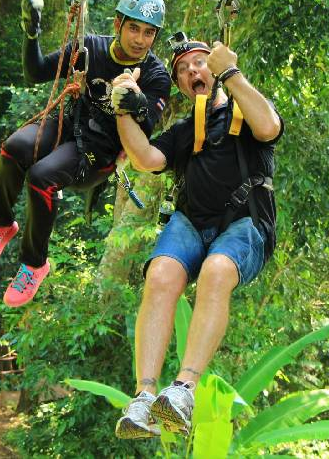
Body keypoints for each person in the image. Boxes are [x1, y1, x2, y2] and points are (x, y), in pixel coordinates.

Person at [111, 34, 283, 438]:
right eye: (184, 70)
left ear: (215, 69)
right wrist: (121, 110)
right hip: (192, 223)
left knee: (218, 270)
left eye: (200, 63)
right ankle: (144, 397)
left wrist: (233, 72)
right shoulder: (187, 129)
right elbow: (146, 159)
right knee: (160, 276)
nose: (192, 71)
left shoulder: (244, 106)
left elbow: (269, 126)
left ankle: (184, 388)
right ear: (182, 85)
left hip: (246, 224)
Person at [0, 0, 172, 308]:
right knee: (14, 148)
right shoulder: (90, 48)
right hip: (69, 123)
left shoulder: (155, 75)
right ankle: (1, 223)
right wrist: (31, 32)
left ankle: (35, 264)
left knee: (41, 176)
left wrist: (135, 102)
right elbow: (35, 72)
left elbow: (145, 129)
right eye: (133, 27)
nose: (139, 39)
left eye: (149, 32)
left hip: (99, 152)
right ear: (117, 23)